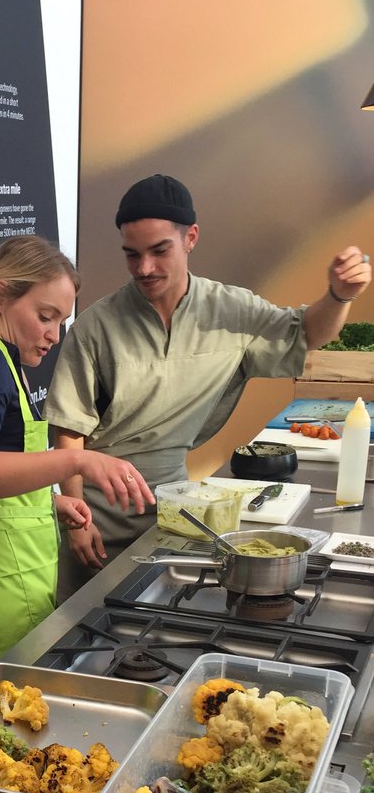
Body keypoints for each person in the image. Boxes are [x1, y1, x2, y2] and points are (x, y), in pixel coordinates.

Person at [46, 173, 373, 595]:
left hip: (176, 513)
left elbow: (308, 332)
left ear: (190, 238)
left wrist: (340, 295)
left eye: (159, 251)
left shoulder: (231, 311)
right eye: (132, 255)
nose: (144, 268)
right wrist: (77, 520)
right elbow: (68, 435)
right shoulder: (97, 326)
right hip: (96, 522)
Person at [0, 234, 153, 660]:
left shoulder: (4, 362)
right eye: (46, 316)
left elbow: (2, 464)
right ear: (3, 295)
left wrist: (45, 502)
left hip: (8, 572)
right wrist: (76, 460)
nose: (54, 334)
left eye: (61, 321)